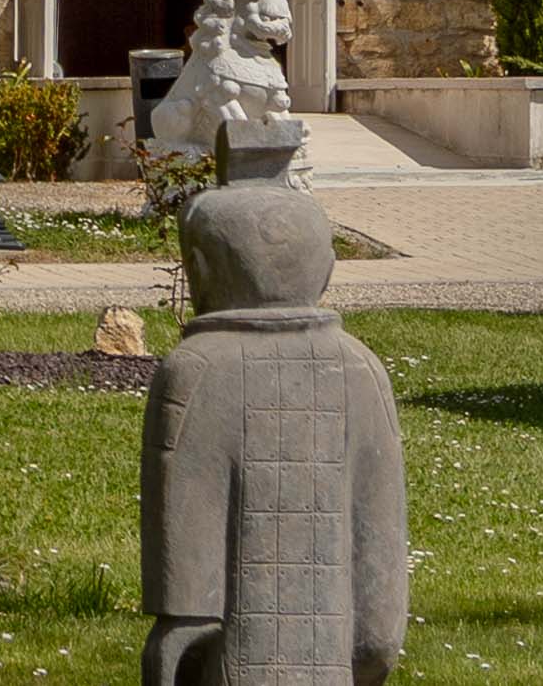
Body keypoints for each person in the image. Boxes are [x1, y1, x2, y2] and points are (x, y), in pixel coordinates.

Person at [144, 125, 409, 686]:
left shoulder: (196, 373)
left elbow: (186, 617)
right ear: (326, 271)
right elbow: (379, 633)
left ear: (200, 268)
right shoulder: (363, 372)